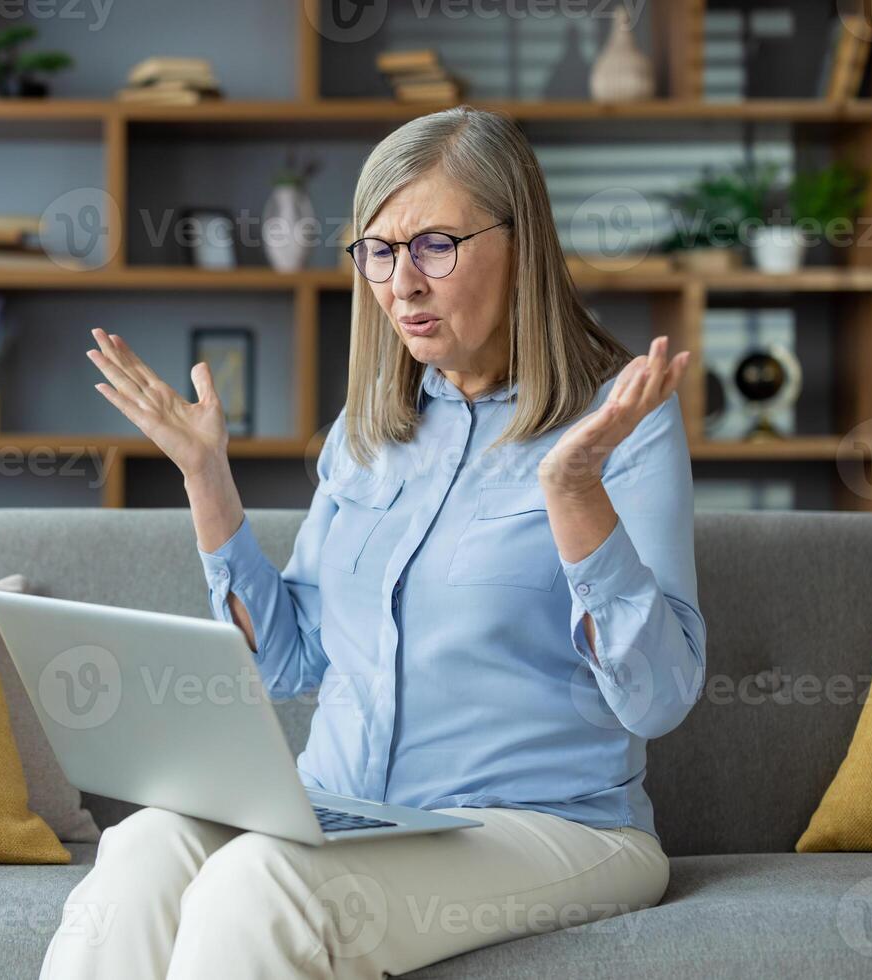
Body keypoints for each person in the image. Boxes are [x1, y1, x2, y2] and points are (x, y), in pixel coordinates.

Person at [40, 104, 707, 979]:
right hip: (349, 810)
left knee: (261, 885)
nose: (402, 285)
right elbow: (290, 662)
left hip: (552, 823)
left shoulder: (622, 423)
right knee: (141, 851)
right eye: (380, 252)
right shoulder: (369, 429)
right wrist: (208, 479)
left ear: (522, 242)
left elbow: (659, 697)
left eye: (434, 244)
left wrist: (574, 493)